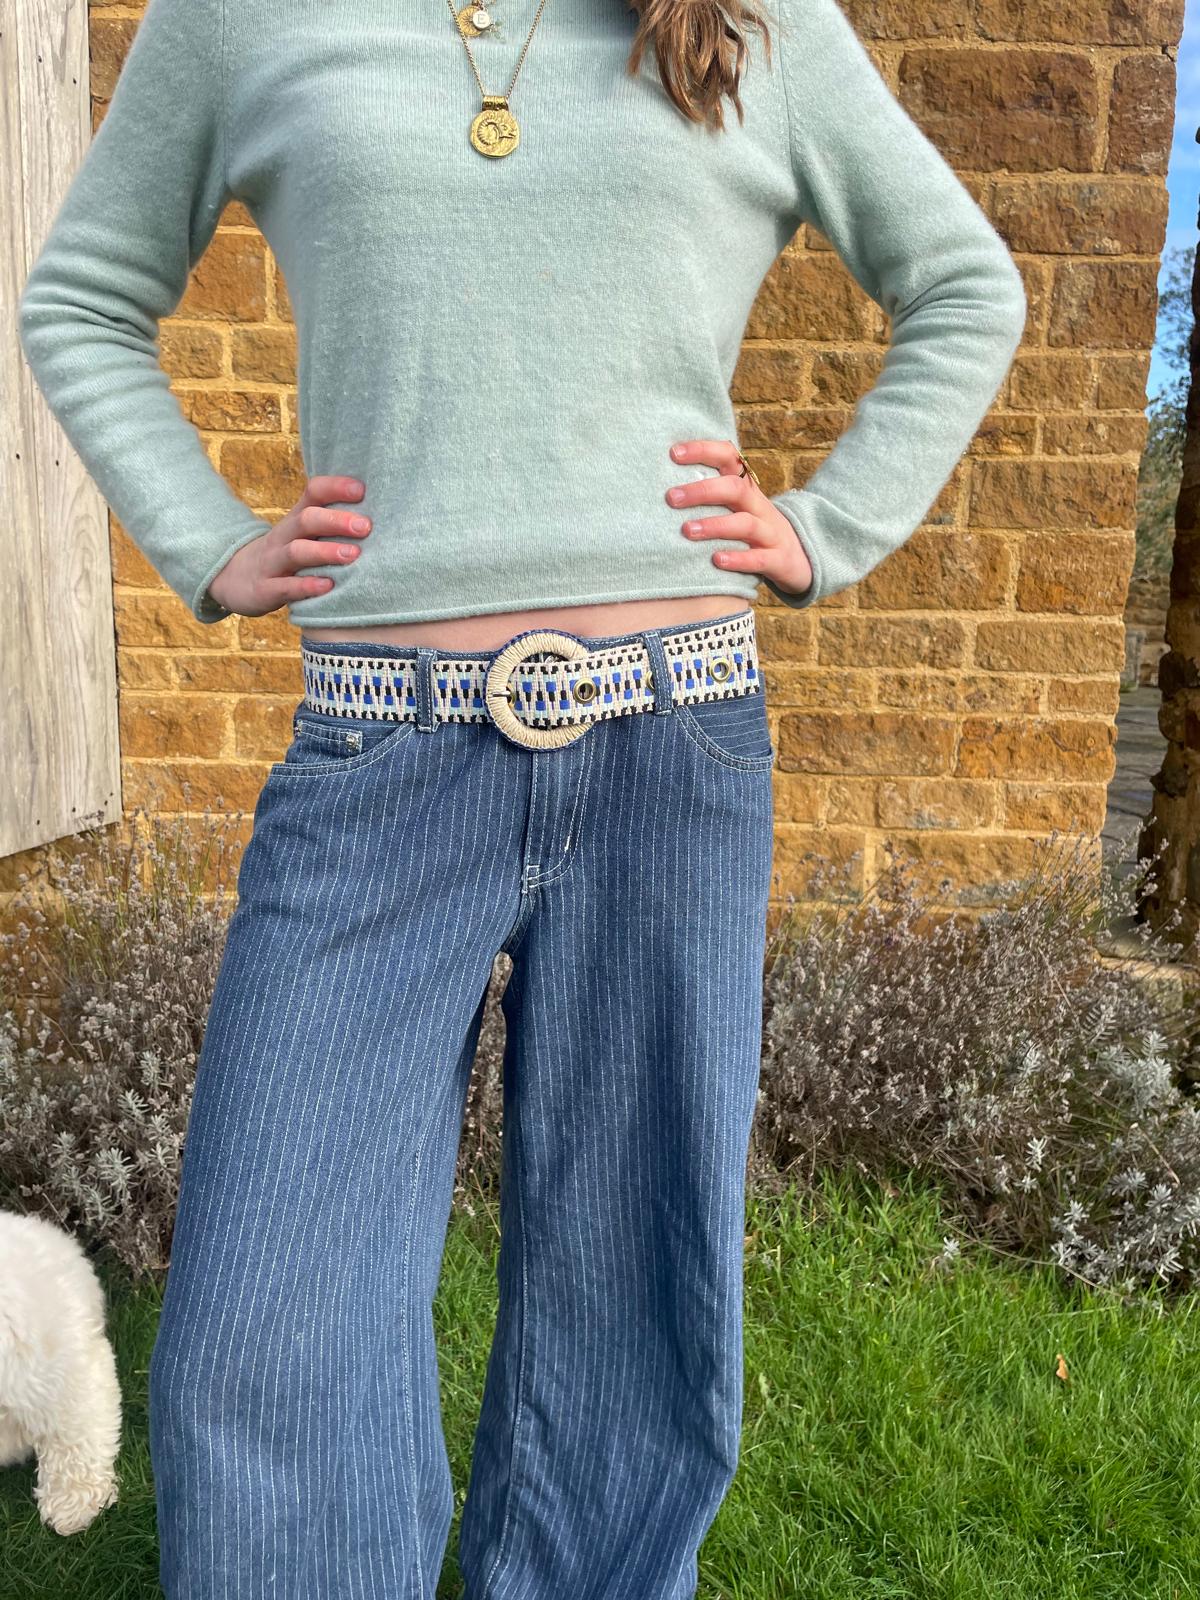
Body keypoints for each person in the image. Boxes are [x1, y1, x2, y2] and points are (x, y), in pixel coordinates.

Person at [16, 0, 1026, 1593]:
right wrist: (209, 541)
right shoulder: (239, 18)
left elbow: (965, 281)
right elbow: (80, 296)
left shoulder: (751, 21)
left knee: (632, 1283)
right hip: (377, 755)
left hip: (674, 750)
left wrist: (825, 525)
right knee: (265, 1317)